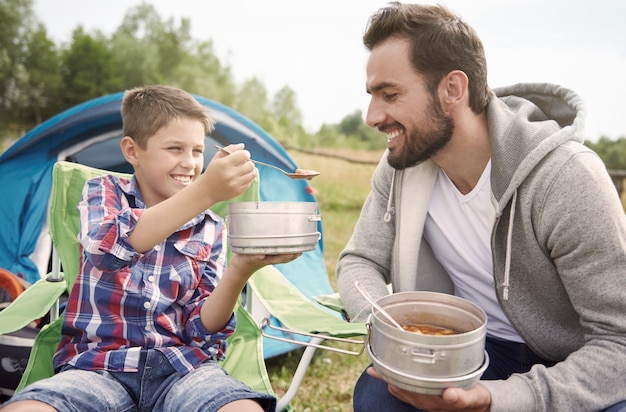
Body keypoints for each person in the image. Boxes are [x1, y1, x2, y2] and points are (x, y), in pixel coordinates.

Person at [336, 3, 626, 411]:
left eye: (391, 94)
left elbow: (619, 343)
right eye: (372, 96)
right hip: (469, 352)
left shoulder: (566, 179)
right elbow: (359, 260)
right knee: (378, 397)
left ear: (453, 89)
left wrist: (499, 399)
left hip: (573, 361)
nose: (372, 116)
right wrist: (389, 326)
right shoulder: (401, 167)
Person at [1, 85, 301, 412]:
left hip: (183, 370)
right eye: (175, 148)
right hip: (97, 368)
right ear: (132, 151)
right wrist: (204, 191)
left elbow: (201, 328)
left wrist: (240, 269)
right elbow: (107, 249)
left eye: (198, 151)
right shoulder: (104, 192)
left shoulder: (211, 227)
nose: (189, 163)